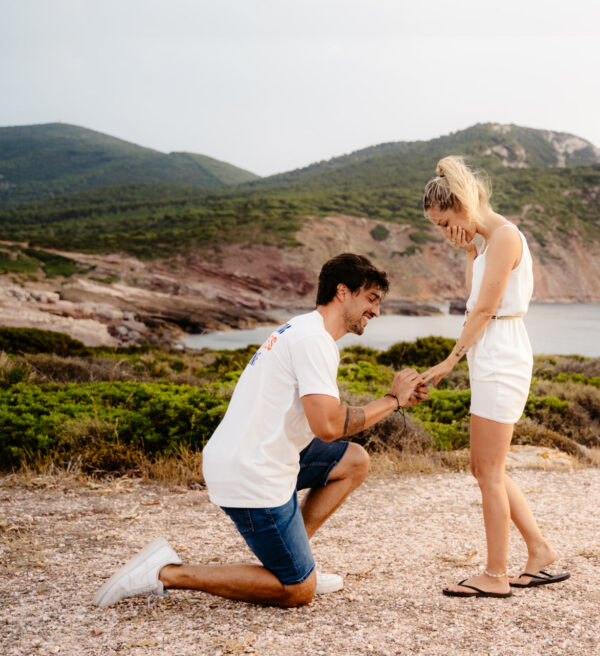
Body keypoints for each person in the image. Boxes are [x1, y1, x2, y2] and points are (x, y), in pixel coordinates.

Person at [93, 253, 427, 608]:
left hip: (254, 455)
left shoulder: (303, 328)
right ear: (342, 292)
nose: (376, 311)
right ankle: (166, 572)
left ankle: (298, 560)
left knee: (354, 461)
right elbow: (328, 427)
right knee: (298, 591)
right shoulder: (313, 341)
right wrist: (393, 399)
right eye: (371, 299)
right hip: (252, 472)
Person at [420, 156, 568, 598]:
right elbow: (473, 301)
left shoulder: (504, 237)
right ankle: (539, 551)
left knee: (487, 471)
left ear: (464, 205)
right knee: (485, 468)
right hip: (491, 354)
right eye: (439, 226)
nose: (445, 232)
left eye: (446, 222)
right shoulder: (485, 243)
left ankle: (496, 574)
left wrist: (449, 360)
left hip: (501, 354)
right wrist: (467, 249)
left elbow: (485, 310)